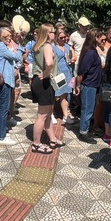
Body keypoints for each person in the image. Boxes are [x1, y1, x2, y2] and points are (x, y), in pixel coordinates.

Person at [30, 23, 60, 152]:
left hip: (41, 82)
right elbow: (49, 63)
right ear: (48, 34)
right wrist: (47, 73)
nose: (55, 34)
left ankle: (52, 139)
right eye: (53, 32)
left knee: (47, 114)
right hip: (44, 82)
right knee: (42, 115)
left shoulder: (39, 46)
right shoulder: (47, 46)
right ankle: (36, 144)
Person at [0, 26, 19, 145]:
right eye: (6, 36)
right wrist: (19, 48)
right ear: (0, 36)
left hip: (4, 80)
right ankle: (1, 135)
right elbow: (16, 57)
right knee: (3, 108)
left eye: (10, 36)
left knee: (0, 106)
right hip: (4, 81)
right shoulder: (1, 46)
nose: (9, 38)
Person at [74, 29, 103, 142]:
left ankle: (85, 128)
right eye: (100, 37)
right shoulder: (90, 53)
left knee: (90, 108)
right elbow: (82, 71)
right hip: (88, 85)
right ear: (95, 38)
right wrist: (78, 85)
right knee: (87, 109)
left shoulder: (93, 51)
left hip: (93, 84)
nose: (102, 39)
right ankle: (83, 132)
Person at [52, 29, 75, 124]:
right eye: (61, 37)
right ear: (56, 37)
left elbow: (73, 56)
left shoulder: (67, 46)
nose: (63, 39)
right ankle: (51, 114)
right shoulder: (53, 47)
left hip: (67, 72)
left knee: (64, 94)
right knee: (54, 94)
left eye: (64, 37)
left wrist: (72, 59)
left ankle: (65, 115)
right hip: (57, 73)